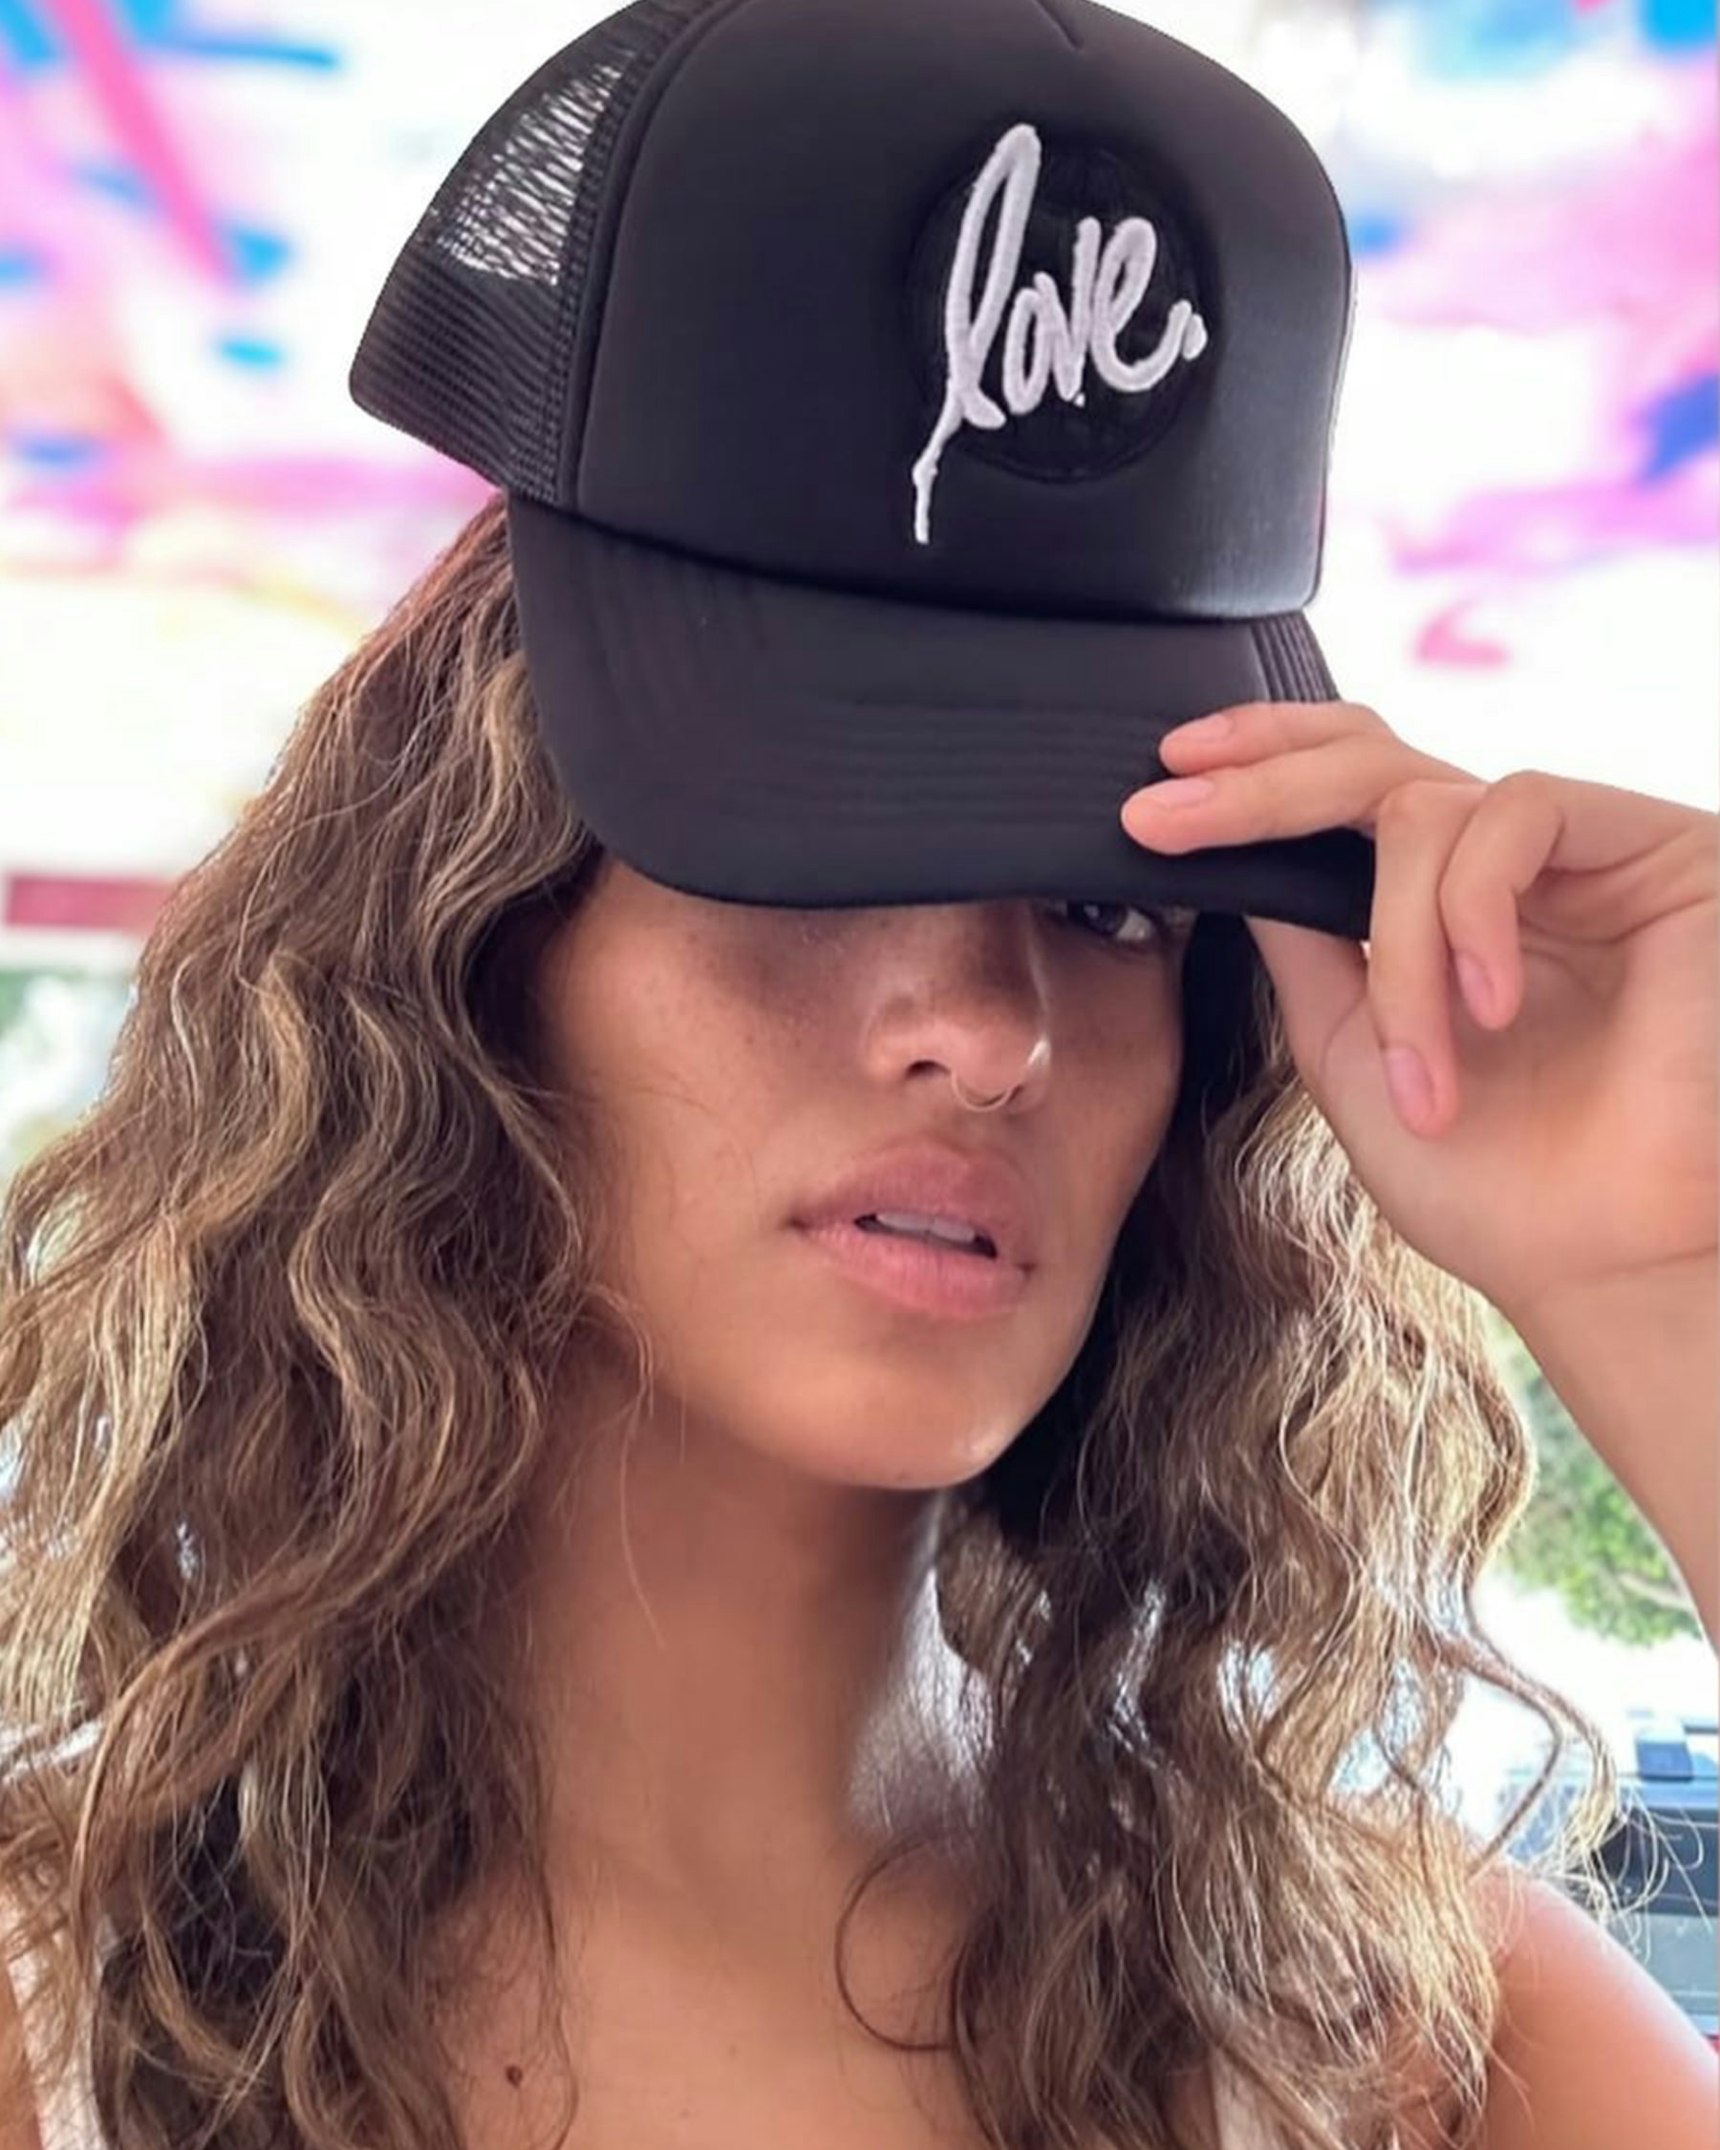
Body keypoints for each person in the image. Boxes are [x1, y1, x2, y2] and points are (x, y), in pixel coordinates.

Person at [2, 1, 1716, 2147]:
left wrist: (1670, 1286)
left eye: (1105, 903)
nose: (989, 1026)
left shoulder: (1403, 2041)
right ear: (469, 927)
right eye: (808, 837)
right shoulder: (59, 2014)